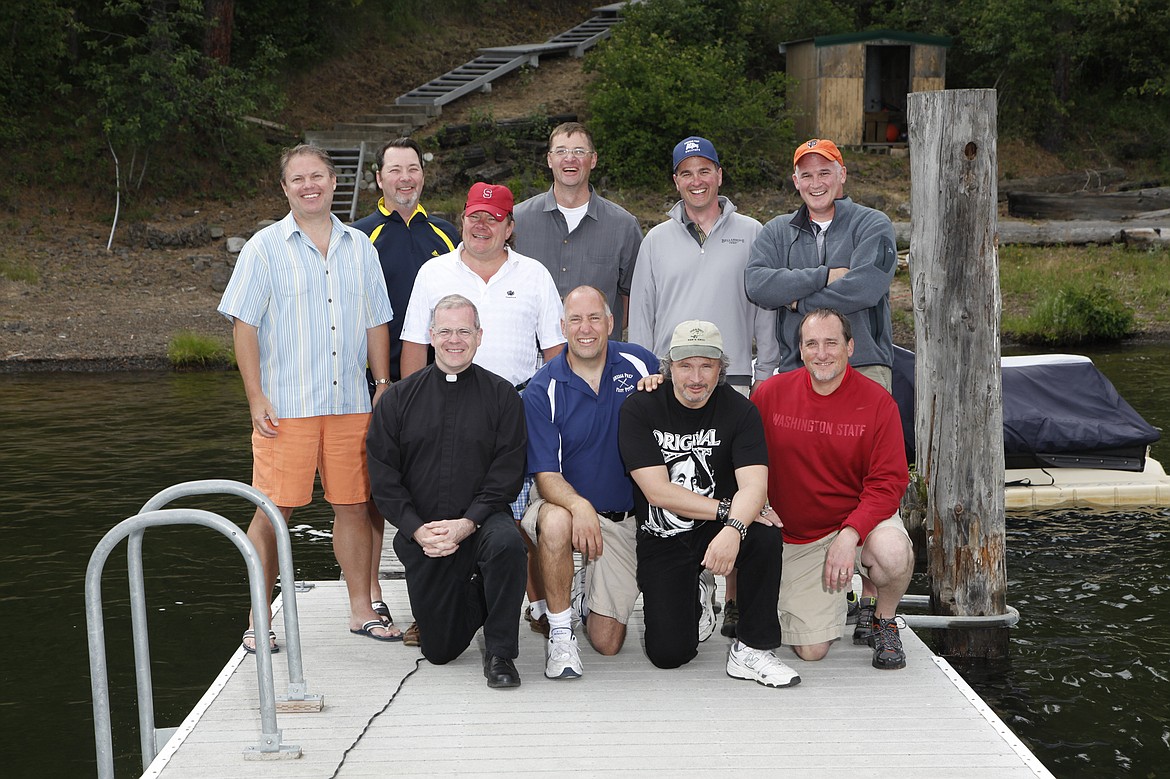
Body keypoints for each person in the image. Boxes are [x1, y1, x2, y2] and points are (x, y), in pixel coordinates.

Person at [217, 143, 398, 652]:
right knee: (275, 511)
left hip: (349, 404)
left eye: (316, 176)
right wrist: (256, 398)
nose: (308, 186)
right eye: (297, 179)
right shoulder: (263, 247)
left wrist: (381, 384)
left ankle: (361, 608)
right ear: (284, 188)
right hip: (287, 407)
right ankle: (258, 620)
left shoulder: (360, 246)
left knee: (355, 506)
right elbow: (244, 326)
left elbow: (375, 319)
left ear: (335, 182)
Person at [628, 135, 779, 635]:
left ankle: (735, 598)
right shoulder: (655, 240)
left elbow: (763, 310)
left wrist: (765, 377)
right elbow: (643, 317)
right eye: (686, 173)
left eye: (705, 170)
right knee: (679, 487)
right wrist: (645, 374)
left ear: (719, 174)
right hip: (672, 385)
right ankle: (688, 577)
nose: (697, 180)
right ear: (676, 181)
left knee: (736, 488)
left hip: (732, 380)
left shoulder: (753, 233)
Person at [618, 320, 799, 688]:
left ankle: (752, 648)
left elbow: (755, 486)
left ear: (722, 369)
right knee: (669, 655)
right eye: (685, 365)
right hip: (663, 533)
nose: (696, 377)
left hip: (719, 527)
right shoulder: (640, 408)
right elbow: (658, 492)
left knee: (763, 534)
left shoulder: (741, 411)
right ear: (668, 368)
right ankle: (698, 588)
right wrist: (727, 512)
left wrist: (734, 528)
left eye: (707, 365)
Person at [367, 294, 529, 688]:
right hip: (424, 533)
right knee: (439, 651)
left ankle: (501, 653)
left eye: (463, 331)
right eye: (445, 331)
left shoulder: (502, 395)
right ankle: (482, 596)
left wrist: (467, 524)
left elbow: (506, 474)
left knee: (509, 545)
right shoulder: (398, 400)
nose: (454, 340)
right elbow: (384, 479)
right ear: (431, 335)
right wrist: (417, 529)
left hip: (483, 523)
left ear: (479, 336)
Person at [751, 308, 913, 670]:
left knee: (893, 553)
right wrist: (758, 503)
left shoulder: (878, 403)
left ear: (850, 347)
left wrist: (850, 533)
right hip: (797, 538)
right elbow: (743, 457)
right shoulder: (770, 395)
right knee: (812, 651)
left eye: (831, 343)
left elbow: (889, 482)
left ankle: (883, 621)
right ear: (800, 349)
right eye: (811, 344)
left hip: (855, 525)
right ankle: (846, 600)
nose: (821, 353)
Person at [520, 285, 658, 679]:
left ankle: (577, 589)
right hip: (567, 504)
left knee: (607, 642)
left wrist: (662, 389)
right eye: (576, 320)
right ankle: (561, 634)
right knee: (559, 521)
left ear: (611, 323)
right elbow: (546, 475)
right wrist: (580, 506)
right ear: (562, 326)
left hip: (626, 518)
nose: (586, 328)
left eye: (595, 318)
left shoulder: (642, 365)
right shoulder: (541, 388)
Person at [351, 137, 458, 635]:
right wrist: (381, 381)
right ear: (379, 179)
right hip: (379, 387)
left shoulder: (447, 234)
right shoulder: (360, 237)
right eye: (394, 170)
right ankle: (372, 594)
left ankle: (439, 601)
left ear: (422, 175)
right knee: (375, 491)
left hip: (441, 384)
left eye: (412, 169)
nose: (404, 178)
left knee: (434, 489)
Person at [744, 138, 898, 391]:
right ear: (796, 182)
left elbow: (864, 289)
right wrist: (824, 276)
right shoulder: (776, 231)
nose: (815, 184)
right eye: (807, 175)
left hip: (863, 368)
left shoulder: (873, 224)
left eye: (824, 173)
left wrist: (798, 303)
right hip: (797, 368)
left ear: (842, 174)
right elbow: (757, 285)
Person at [398, 182, 565, 387]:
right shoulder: (432, 272)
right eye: (474, 217)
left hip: (517, 401)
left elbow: (555, 347)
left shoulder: (535, 274)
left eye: (492, 219)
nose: (481, 225)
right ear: (463, 221)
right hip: (448, 399)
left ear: (509, 228)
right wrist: (411, 403)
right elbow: (415, 345)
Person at [512, 121, 643, 332]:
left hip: (598, 358)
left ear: (593, 160)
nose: (569, 158)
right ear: (549, 159)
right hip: (532, 358)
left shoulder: (624, 226)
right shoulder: (517, 221)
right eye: (561, 151)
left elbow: (633, 297)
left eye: (579, 151)